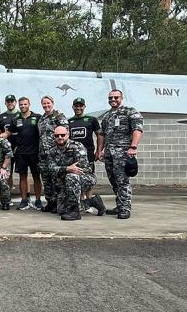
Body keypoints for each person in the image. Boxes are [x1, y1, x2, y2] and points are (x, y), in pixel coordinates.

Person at [96, 89, 143, 219]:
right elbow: (102, 134)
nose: (113, 100)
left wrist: (133, 147)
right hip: (109, 154)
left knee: (122, 181)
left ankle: (125, 208)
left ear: (121, 98)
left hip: (123, 153)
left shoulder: (130, 112)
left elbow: (137, 129)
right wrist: (100, 150)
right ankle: (120, 204)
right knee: (113, 180)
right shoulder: (107, 116)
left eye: (116, 97)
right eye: (110, 98)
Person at [48, 126, 98, 221]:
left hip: (86, 178)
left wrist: (63, 170)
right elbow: (51, 168)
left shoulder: (77, 146)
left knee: (71, 176)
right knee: (61, 210)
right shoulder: (52, 151)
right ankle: (93, 202)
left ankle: (75, 212)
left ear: (68, 135)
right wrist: (67, 168)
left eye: (62, 135)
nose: (60, 137)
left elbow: (81, 167)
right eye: (57, 135)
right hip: (66, 181)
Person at [68, 97, 105, 214]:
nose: (78, 108)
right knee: (76, 177)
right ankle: (81, 201)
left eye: (81, 106)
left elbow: (100, 135)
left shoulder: (91, 119)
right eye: (76, 106)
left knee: (88, 178)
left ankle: (89, 202)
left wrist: (99, 151)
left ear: (84, 107)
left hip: (88, 155)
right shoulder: (69, 121)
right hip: (73, 156)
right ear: (73, 107)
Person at [38, 95, 70, 214]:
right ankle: (50, 202)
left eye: (48, 103)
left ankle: (59, 203)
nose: (46, 105)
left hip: (56, 153)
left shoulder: (59, 116)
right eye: (44, 104)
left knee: (56, 180)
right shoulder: (41, 119)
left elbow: (66, 134)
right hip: (43, 155)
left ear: (52, 103)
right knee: (46, 180)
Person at [9, 97, 42, 210]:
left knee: (36, 176)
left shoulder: (37, 117)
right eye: (21, 105)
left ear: (29, 104)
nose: (23, 106)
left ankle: (38, 200)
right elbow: (8, 133)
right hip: (21, 153)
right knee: (23, 177)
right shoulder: (15, 119)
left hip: (35, 152)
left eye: (25, 104)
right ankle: (24, 200)